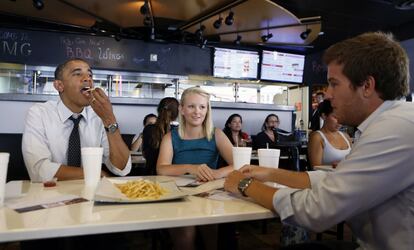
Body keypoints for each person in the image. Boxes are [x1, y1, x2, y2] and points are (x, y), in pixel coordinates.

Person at [224, 32, 414, 249]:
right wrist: (271, 173)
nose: (327, 95)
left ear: (367, 86)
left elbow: (317, 211)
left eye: (334, 84)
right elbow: (338, 181)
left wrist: (244, 184)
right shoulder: (389, 122)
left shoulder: (395, 128)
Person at [22, 58, 131, 182]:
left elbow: (122, 168)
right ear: (59, 85)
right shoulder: (39, 113)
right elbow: (39, 170)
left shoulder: (98, 116)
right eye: (78, 74)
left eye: (90, 75)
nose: (87, 79)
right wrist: (95, 173)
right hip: (50, 194)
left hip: (91, 193)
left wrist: (109, 119)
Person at [157, 87, 234, 250]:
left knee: (210, 231)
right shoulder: (171, 136)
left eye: (202, 107)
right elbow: (161, 169)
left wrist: (216, 173)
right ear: (181, 109)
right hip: (179, 193)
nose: (197, 112)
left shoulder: (217, 134)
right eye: (191, 106)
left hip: (209, 192)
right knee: (185, 236)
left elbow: (239, 165)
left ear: (207, 110)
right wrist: (191, 168)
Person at [308, 99, 352, 168]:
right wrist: (337, 166)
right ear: (324, 116)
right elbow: (315, 168)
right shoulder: (317, 137)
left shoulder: (346, 136)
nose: (339, 121)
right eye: (335, 117)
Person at [142, 98, 178, 175]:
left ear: (158, 110)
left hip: (150, 176)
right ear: (178, 113)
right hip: (173, 178)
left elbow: (144, 154)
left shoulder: (148, 129)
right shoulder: (178, 132)